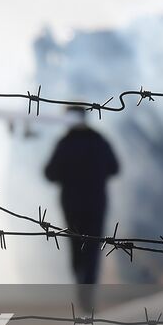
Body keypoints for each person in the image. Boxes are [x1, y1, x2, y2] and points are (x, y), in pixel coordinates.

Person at [44, 109, 120, 309]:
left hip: (72, 205)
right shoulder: (99, 141)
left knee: (76, 248)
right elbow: (114, 167)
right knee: (92, 250)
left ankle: (82, 289)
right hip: (95, 203)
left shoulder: (65, 143)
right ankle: (87, 292)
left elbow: (50, 173)